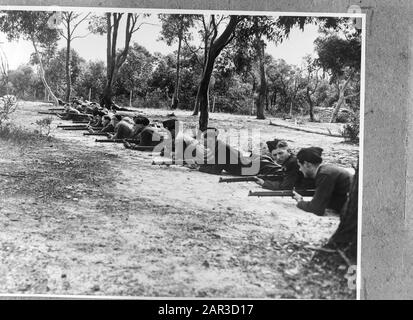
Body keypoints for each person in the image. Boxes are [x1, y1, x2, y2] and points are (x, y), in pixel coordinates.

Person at [292, 147, 353, 216]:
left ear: (307, 164)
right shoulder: (325, 170)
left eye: (300, 166)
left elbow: (316, 209)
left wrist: (300, 201)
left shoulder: (325, 175)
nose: (300, 169)